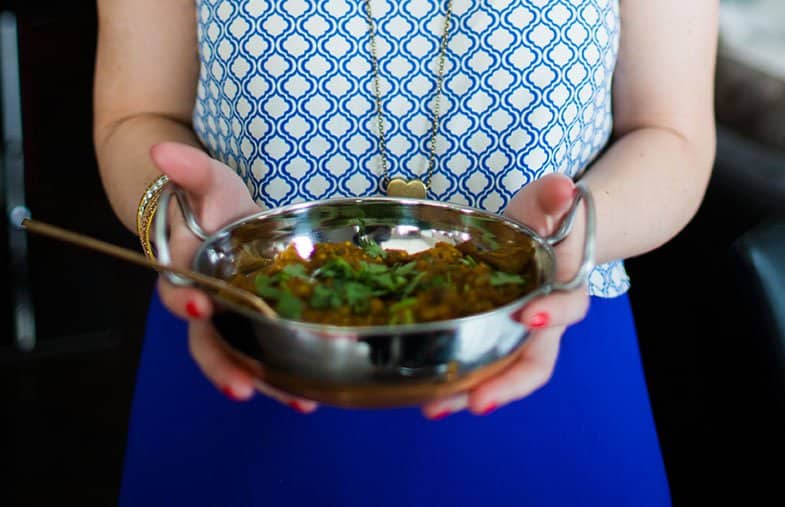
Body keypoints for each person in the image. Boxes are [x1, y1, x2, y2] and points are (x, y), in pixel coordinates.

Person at [94, 0, 717, 505]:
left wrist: (569, 239)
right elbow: (137, 115)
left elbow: (673, 136)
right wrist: (181, 218)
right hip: (243, 353)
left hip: (548, 373)